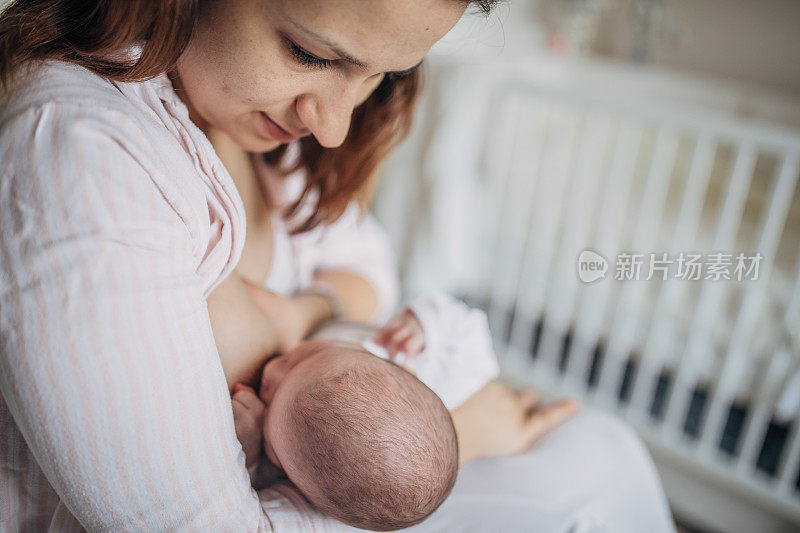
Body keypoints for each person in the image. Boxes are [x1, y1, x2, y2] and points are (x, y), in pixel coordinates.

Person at [1, 0, 583, 530]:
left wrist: (302, 313)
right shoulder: (81, 154)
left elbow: (373, 269)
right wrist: (458, 437)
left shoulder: (263, 138)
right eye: (312, 54)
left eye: (381, 74)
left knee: (596, 458)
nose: (334, 127)